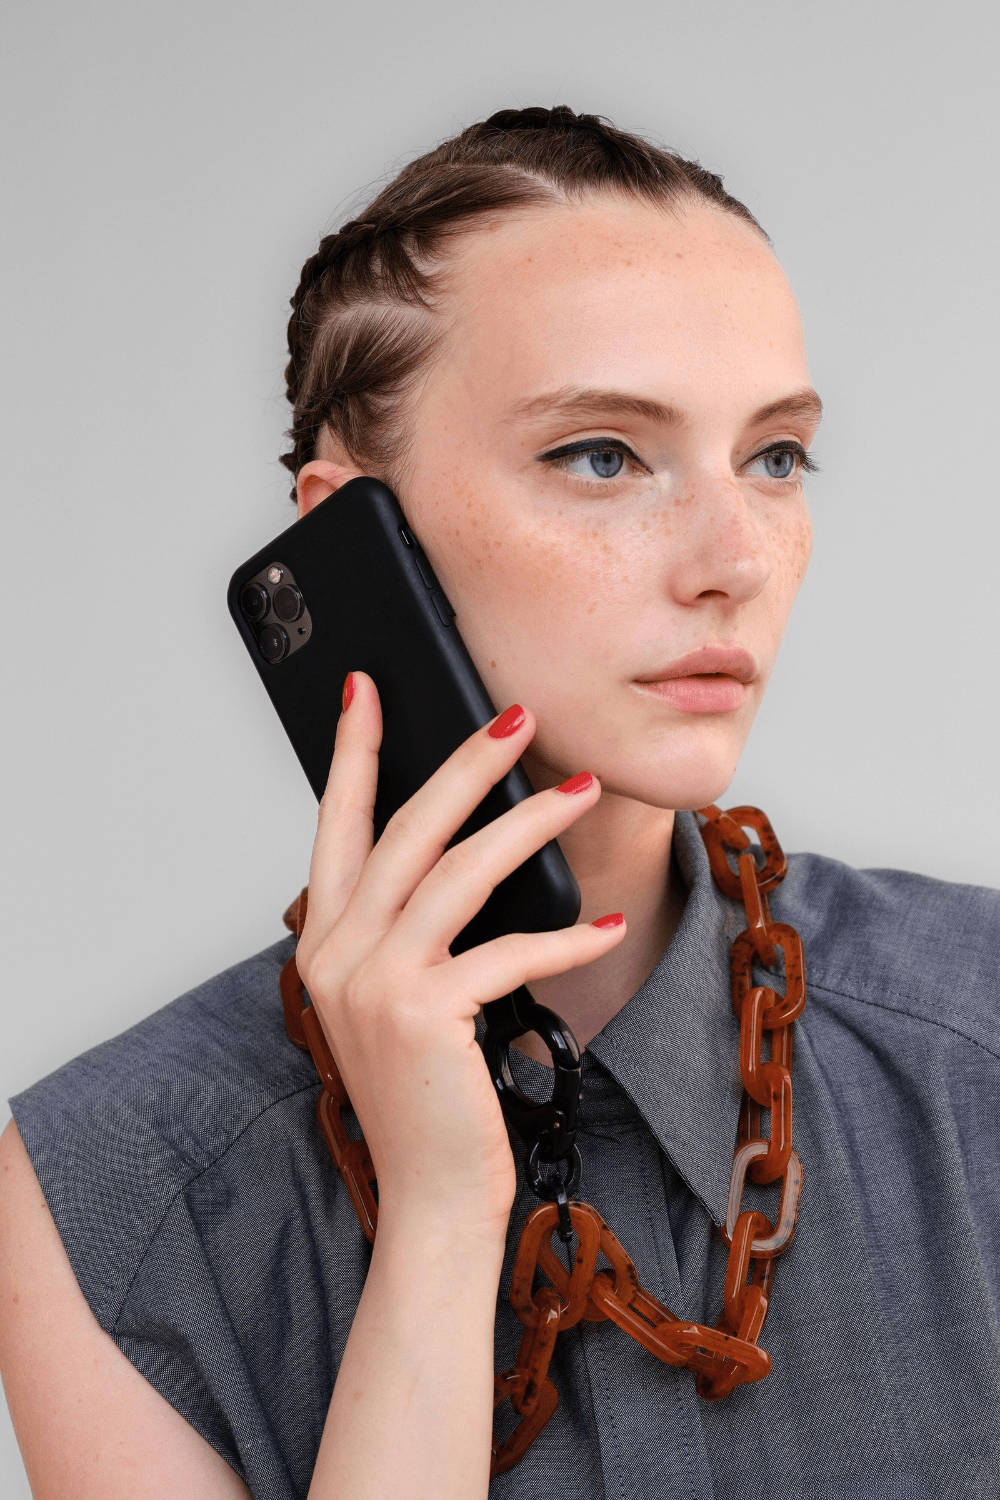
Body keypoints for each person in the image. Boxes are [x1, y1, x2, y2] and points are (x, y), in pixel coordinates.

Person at [1, 106, 997, 1500]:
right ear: (352, 533)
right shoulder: (119, 1189)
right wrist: (441, 1228)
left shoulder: (978, 1039)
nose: (734, 560)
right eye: (603, 453)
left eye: (774, 457)